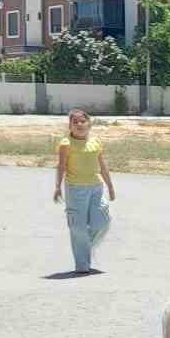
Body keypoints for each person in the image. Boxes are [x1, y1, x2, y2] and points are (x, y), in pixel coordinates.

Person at [52, 109, 114, 274]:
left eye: (83, 121)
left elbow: (102, 166)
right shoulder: (66, 144)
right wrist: (57, 187)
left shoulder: (95, 142)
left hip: (95, 187)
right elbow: (61, 166)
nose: (79, 124)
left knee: (102, 221)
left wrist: (110, 186)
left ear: (89, 124)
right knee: (78, 228)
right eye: (75, 122)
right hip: (75, 189)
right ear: (70, 126)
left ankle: (86, 245)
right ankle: (82, 266)